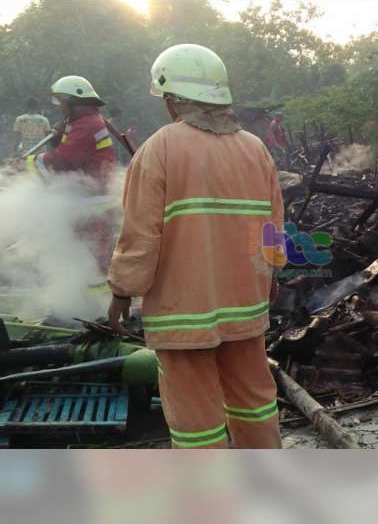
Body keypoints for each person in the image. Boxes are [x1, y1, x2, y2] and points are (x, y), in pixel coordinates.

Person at [107, 44, 284, 449]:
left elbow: (140, 233)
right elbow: (274, 226)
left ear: (175, 102)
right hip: (245, 306)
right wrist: (272, 274)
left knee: (196, 418)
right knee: (255, 401)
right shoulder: (255, 150)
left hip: (182, 313)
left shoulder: (160, 148)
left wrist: (122, 291)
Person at [25, 76, 118, 274]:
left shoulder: (87, 125)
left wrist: (26, 164)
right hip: (88, 200)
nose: (60, 108)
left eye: (62, 102)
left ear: (74, 103)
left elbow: (63, 160)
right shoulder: (83, 121)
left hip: (94, 205)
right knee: (84, 257)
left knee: (93, 261)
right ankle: (85, 300)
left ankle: (99, 303)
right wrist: (58, 136)